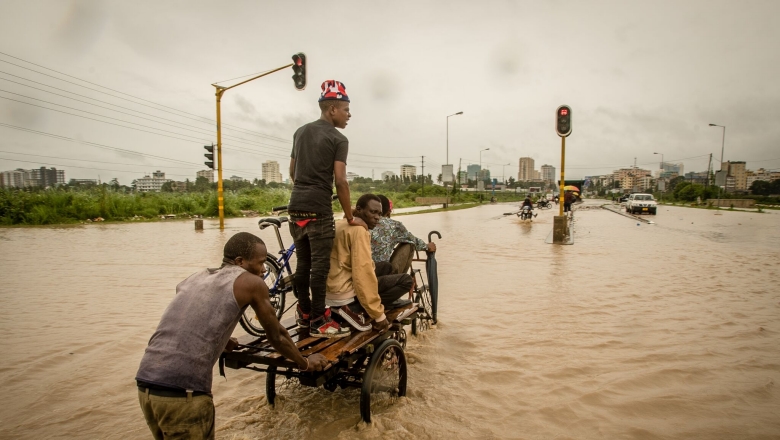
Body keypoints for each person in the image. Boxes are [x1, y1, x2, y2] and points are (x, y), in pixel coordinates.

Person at [136, 232, 328, 440]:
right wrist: (305, 363)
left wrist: (223, 340)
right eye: (261, 263)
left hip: (146, 384)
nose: (264, 269)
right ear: (240, 262)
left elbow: (190, 317)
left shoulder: (195, 278)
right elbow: (278, 336)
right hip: (183, 392)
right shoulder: (251, 283)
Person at [288, 80, 366, 338]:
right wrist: (350, 215)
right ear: (332, 109)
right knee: (319, 269)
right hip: (319, 210)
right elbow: (341, 180)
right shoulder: (338, 138)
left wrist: (304, 190)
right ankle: (321, 321)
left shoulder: (300, 132)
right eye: (346, 109)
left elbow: (292, 171)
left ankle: (305, 313)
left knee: (303, 265)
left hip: (296, 207)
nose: (349, 115)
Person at [327, 194, 414, 333]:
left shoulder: (340, 223)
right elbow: (362, 275)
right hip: (343, 294)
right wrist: (378, 315)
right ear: (359, 210)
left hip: (333, 285)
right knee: (406, 280)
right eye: (373, 212)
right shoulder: (360, 231)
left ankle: (360, 303)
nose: (377, 217)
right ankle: (357, 308)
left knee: (386, 266)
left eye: (379, 214)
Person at [370, 195, 436, 275]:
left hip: (365, 269)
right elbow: (412, 239)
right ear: (388, 211)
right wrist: (427, 246)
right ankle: (399, 278)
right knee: (409, 244)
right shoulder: (393, 225)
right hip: (381, 272)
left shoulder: (363, 222)